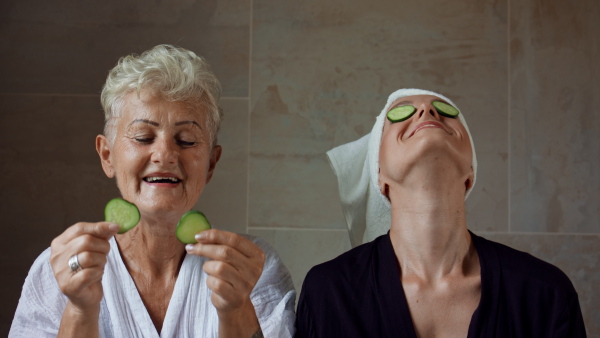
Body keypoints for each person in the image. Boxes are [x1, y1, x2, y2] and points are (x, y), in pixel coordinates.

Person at [10, 44, 296, 338]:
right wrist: (81, 311)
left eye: (186, 140)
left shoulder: (252, 268)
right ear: (107, 155)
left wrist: (236, 313)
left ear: (211, 163)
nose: (165, 154)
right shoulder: (58, 269)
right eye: (144, 137)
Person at [295, 88, 586, 337]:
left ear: (470, 173)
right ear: (379, 174)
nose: (425, 110)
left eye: (444, 110)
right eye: (401, 112)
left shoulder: (545, 295)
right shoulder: (329, 294)